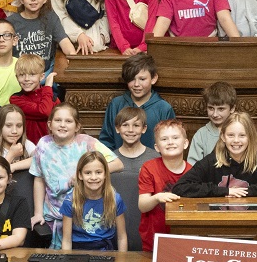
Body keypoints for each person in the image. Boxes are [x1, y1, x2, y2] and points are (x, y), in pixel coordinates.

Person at [31, 103, 123, 248]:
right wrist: (38, 213)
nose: (62, 125)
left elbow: (118, 164)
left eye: (68, 121)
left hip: (82, 216)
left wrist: (84, 174)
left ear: (77, 126)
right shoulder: (43, 145)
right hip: (53, 216)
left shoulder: (86, 142)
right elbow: (39, 178)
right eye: (58, 120)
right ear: (49, 124)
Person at [173, 112, 257, 198]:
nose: (236, 141)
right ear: (223, 137)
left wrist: (250, 191)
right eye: (231, 135)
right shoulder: (212, 160)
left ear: (250, 137)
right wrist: (224, 191)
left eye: (242, 135)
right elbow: (180, 187)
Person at [98, 52, 177, 151]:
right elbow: (106, 141)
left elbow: (169, 145)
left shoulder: (164, 108)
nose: (136, 84)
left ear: (153, 78)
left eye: (142, 79)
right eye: (131, 79)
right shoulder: (116, 104)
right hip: (119, 164)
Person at [138, 119, 191, 252]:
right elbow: (143, 206)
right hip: (154, 239)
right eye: (164, 139)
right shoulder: (148, 168)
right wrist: (157, 198)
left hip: (183, 239)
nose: (170, 142)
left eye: (175, 137)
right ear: (156, 147)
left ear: (185, 143)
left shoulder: (193, 172)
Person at [8, 0, 75, 80]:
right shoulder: (11, 22)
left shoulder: (51, 17)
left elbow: (64, 42)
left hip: (45, 75)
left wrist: (73, 57)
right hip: (20, 77)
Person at [61, 152, 127, 251]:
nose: (93, 177)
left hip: (106, 248)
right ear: (80, 175)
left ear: (105, 174)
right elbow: (66, 240)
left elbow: (122, 237)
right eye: (88, 173)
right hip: (78, 250)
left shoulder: (115, 199)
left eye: (98, 172)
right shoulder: (70, 201)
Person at [0, 104, 36, 200]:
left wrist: (12, 167)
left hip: (20, 196)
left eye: (19, 126)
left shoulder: (26, 144)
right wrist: (11, 155)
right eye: (8, 126)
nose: (14, 131)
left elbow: (41, 159)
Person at [8, 53, 59, 146]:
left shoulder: (52, 98)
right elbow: (44, 111)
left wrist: (47, 90)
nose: (26, 79)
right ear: (17, 77)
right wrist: (48, 86)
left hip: (51, 149)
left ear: (42, 76)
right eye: (22, 75)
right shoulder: (16, 99)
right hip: (25, 151)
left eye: (32, 74)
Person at [188, 81, 236, 165]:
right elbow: (193, 167)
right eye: (211, 108)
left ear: (232, 108)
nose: (215, 114)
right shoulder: (201, 135)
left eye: (221, 109)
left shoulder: (240, 131)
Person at [112, 106, 159, 175]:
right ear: (117, 128)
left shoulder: (155, 158)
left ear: (144, 129)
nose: (130, 130)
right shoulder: (111, 159)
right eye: (125, 125)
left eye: (136, 125)